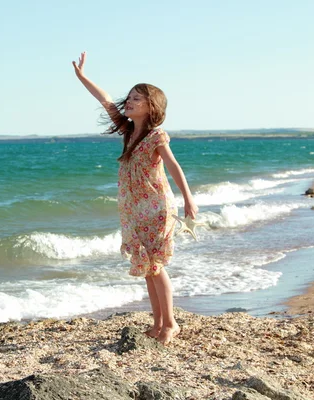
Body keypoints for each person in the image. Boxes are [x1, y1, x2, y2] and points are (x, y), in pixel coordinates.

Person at [72, 51, 198, 345]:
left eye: (137, 99)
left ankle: (171, 324)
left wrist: (189, 199)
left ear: (152, 106)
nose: (129, 101)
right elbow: (104, 99)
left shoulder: (156, 135)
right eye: (129, 97)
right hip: (134, 208)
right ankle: (157, 324)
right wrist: (82, 76)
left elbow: (173, 166)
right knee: (147, 268)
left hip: (157, 207)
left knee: (156, 266)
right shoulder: (128, 131)